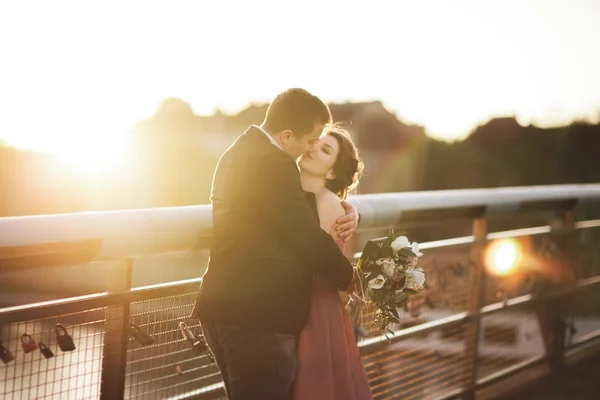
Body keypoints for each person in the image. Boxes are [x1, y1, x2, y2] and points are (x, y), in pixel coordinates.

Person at [190, 88, 360, 400]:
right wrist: (350, 278)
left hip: (220, 307)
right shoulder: (274, 163)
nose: (309, 149)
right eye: (310, 141)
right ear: (286, 136)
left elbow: (286, 215)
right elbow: (304, 234)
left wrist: (347, 209)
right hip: (258, 318)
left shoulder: (236, 151)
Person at [293, 125, 373, 400]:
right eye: (316, 141)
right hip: (308, 305)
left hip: (313, 311)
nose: (314, 147)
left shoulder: (327, 204)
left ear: (331, 173)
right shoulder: (297, 194)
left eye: (325, 149)